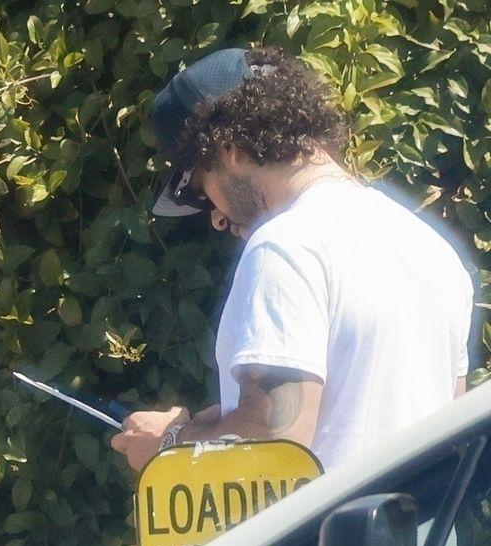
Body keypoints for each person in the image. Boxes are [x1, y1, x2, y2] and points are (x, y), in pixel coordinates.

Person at [112, 47, 474, 475]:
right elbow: (445, 428)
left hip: (329, 521)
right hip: (425, 517)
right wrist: (231, 417)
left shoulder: (284, 245)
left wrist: (168, 445)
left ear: (229, 149)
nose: (215, 217)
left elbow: (276, 438)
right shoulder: (431, 248)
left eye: (198, 189)